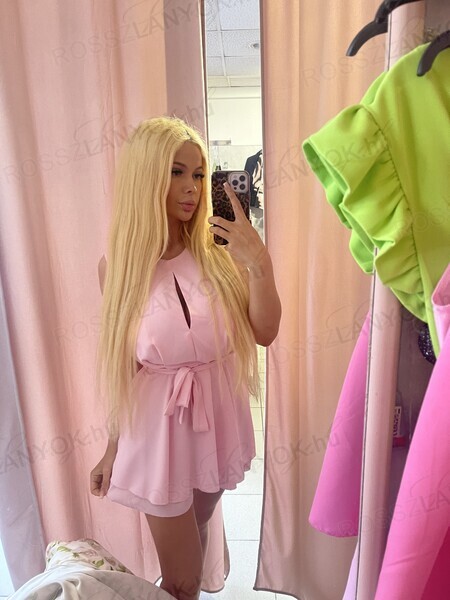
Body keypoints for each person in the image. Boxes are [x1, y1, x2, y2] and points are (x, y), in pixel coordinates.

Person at [90, 116, 281, 600]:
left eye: (198, 173)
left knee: (194, 538)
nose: (192, 187)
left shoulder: (221, 254)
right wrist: (112, 447)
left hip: (216, 419)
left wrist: (258, 263)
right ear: (146, 176)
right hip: (156, 432)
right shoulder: (119, 267)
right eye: (176, 172)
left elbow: (265, 332)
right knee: (181, 579)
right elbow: (124, 367)